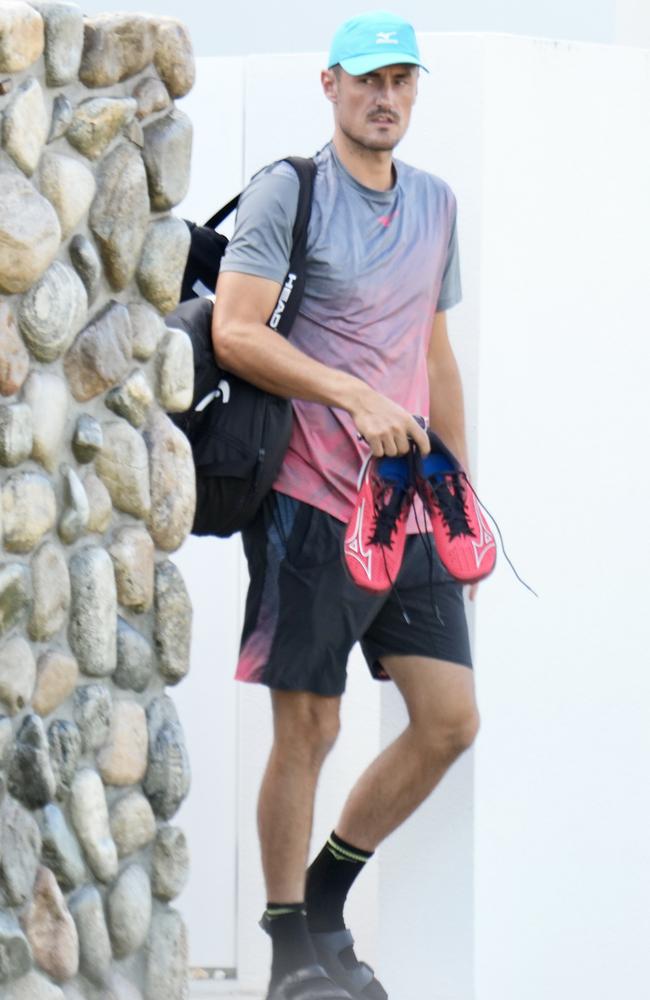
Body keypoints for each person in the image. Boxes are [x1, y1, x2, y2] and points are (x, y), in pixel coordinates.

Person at [213, 11, 480, 1000]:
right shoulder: (291, 190)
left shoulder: (437, 204)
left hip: (406, 507)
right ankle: (290, 953)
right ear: (329, 85)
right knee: (311, 727)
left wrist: (453, 488)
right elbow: (237, 332)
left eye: (402, 81)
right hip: (307, 500)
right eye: (368, 80)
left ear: (414, 90)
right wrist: (352, 393)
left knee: (448, 719)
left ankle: (326, 895)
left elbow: (432, 349)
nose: (385, 98)